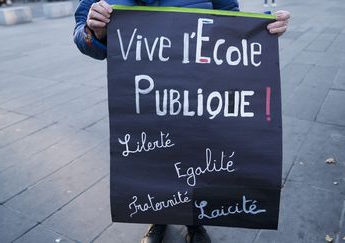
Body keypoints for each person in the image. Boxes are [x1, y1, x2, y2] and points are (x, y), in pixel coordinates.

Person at [73, 0, 290, 242]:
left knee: (195, 156)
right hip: (144, 98)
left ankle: (195, 221)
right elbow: (84, 35)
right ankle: (157, 216)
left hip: (197, 93)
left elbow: (230, 19)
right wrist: (94, 32)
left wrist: (261, 31)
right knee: (153, 160)